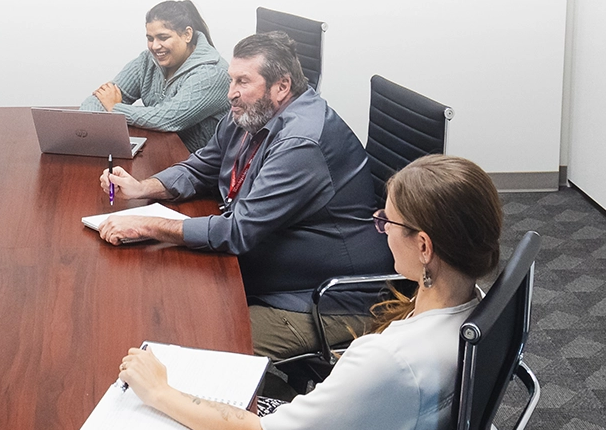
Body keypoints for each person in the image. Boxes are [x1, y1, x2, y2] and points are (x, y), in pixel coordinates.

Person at [116, 154, 503, 430]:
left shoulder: (389, 359)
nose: (380, 230)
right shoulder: (479, 307)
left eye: (387, 221)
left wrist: (159, 392)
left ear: (423, 247)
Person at [98, 31, 392, 360]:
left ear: (281, 86)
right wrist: (143, 187)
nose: (230, 94)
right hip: (266, 266)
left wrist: (148, 225)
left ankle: (268, 400)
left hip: (321, 297)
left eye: (242, 82)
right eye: (231, 80)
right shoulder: (252, 112)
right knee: (167, 307)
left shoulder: (300, 143)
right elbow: (203, 166)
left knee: (206, 350)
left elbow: (238, 231)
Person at [80, 0, 230, 152]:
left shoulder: (212, 73)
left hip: (197, 166)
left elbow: (167, 118)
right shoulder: (147, 61)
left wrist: (115, 108)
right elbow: (101, 98)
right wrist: (84, 128)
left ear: (187, 34)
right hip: (160, 151)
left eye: (163, 38)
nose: (155, 46)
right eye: (150, 38)